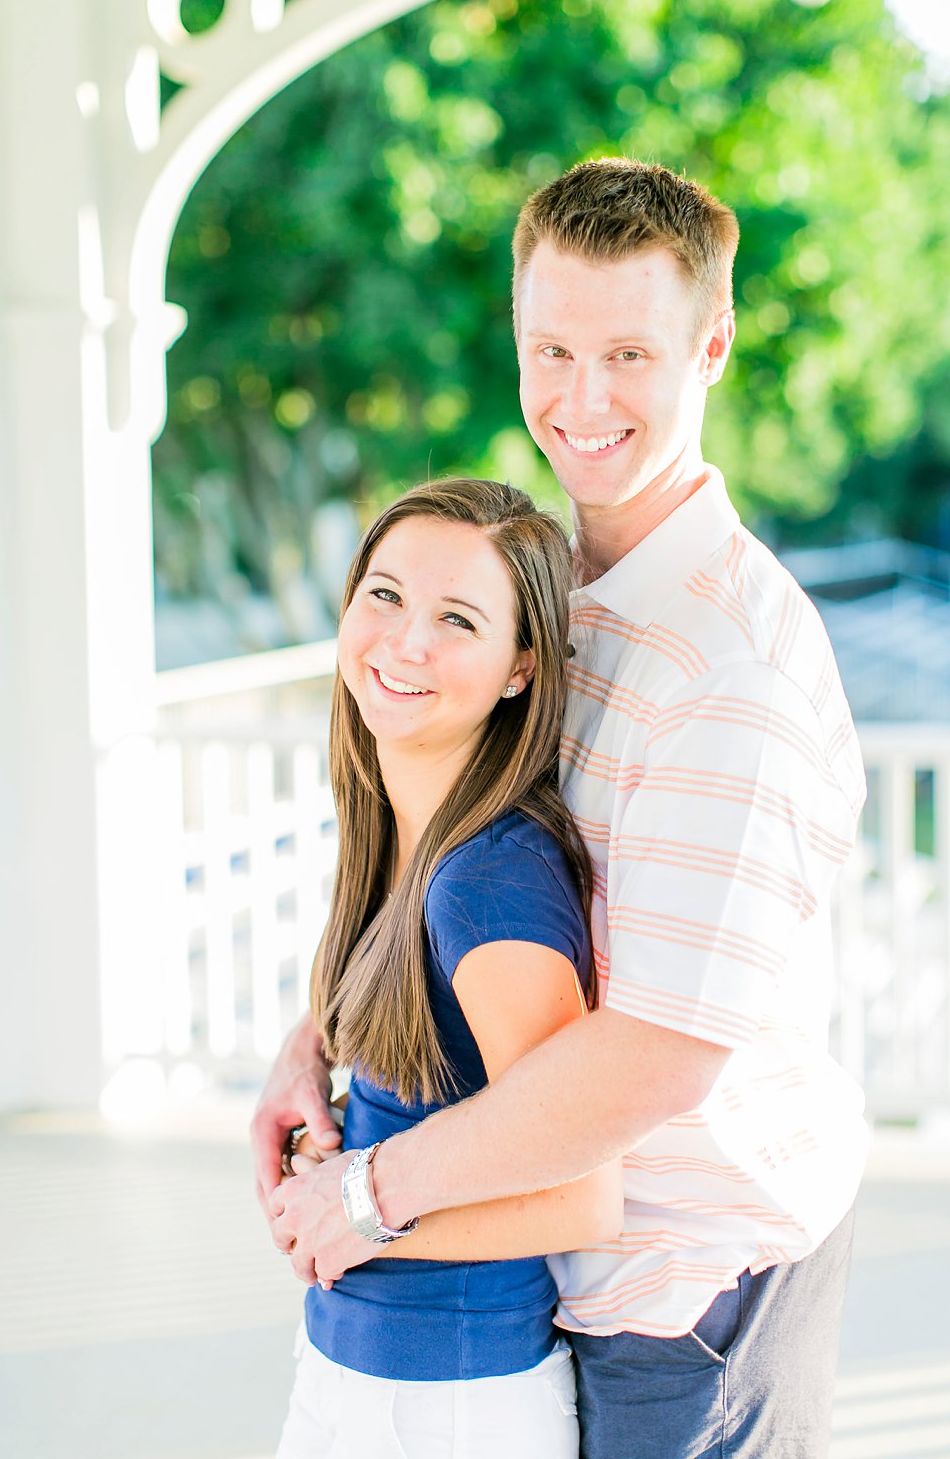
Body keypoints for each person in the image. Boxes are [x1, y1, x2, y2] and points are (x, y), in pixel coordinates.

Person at [261, 158, 868, 1459]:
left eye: (630, 356)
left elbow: (661, 1051)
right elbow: (447, 828)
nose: (582, 402)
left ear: (712, 346)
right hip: (556, 1280)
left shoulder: (729, 673)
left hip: (691, 1298)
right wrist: (316, 1038)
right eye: (553, 349)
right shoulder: (550, 588)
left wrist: (370, 1195)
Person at [273, 477, 616, 1457]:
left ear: (520, 667)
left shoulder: (488, 882)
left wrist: (350, 1210)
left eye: (456, 619)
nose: (403, 641)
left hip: (451, 1404)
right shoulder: (400, 819)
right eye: (383, 595)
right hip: (353, 1369)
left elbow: (584, 1194)